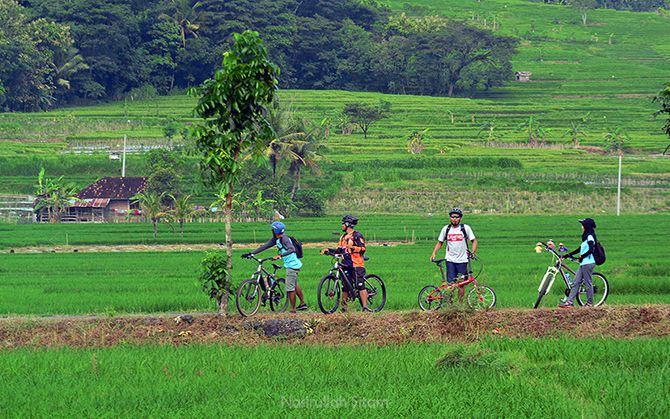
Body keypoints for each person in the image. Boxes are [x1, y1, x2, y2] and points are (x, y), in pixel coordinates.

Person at [242, 221, 307, 313]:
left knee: (290, 288)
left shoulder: (284, 239)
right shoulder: (276, 239)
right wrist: (251, 253)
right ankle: (302, 303)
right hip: (291, 264)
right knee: (294, 284)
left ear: (274, 231)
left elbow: (291, 249)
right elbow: (264, 246)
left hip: (292, 265)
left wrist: (280, 255)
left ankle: (292, 310)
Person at [320, 215, 372, 312]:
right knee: (345, 286)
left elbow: (363, 248)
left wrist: (353, 248)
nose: (342, 226)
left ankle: (365, 307)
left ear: (348, 225)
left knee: (360, 285)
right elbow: (339, 250)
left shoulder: (357, 235)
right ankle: (344, 308)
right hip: (345, 264)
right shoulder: (343, 237)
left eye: (343, 224)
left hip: (356, 264)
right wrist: (328, 251)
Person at [429, 208, 477, 302]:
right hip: (450, 260)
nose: (454, 219)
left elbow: (474, 241)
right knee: (450, 284)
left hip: (463, 260)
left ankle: (459, 304)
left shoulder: (465, 228)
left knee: (461, 284)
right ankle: (450, 305)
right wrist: (434, 253)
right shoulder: (446, 229)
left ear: (460, 218)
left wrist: (473, 252)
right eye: (452, 217)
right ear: (450, 218)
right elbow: (440, 242)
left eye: (457, 217)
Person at [558, 218, 597, 308]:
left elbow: (591, 249)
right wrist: (566, 255)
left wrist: (582, 256)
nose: (581, 227)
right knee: (576, 282)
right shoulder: (586, 238)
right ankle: (570, 302)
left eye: (583, 225)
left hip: (588, 263)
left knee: (588, 283)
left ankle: (590, 304)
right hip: (583, 263)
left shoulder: (590, 236)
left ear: (586, 226)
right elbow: (579, 249)